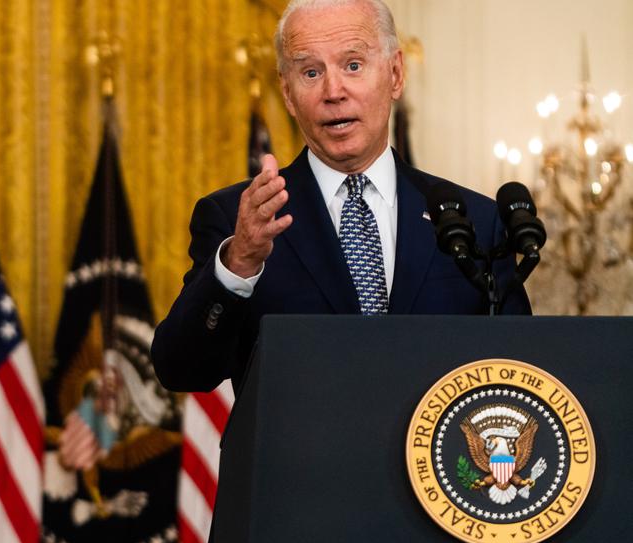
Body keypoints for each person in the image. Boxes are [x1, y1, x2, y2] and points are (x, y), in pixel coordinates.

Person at [151, 0, 531, 394]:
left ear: (396, 74)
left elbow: (521, 374)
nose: (333, 91)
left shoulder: (477, 222)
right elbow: (181, 371)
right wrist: (239, 264)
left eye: (353, 65)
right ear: (287, 92)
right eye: (311, 72)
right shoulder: (239, 221)